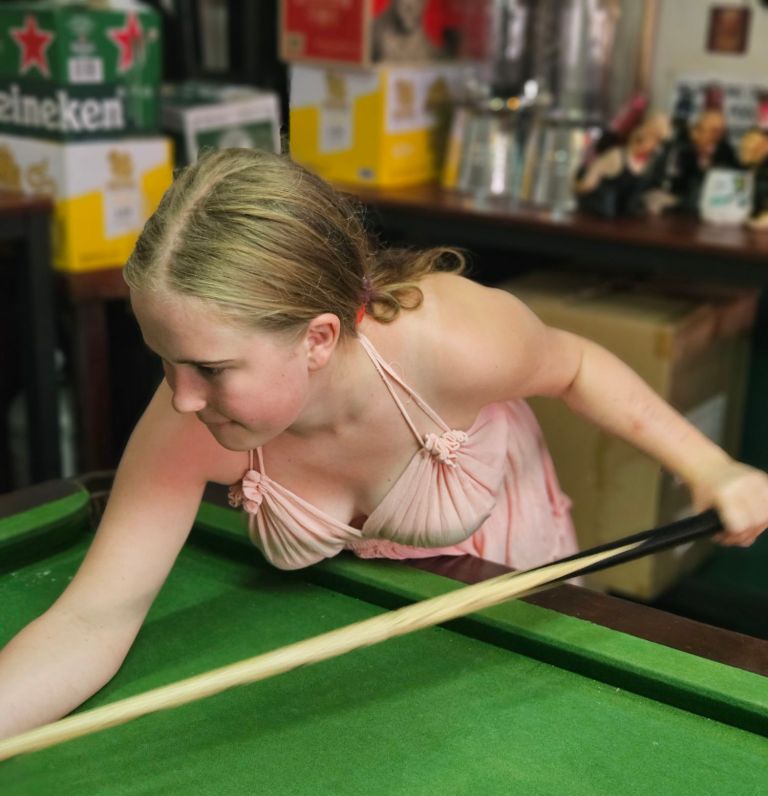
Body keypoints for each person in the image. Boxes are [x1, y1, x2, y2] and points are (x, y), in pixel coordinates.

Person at [1, 147, 767, 741]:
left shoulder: (454, 343)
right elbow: (91, 621)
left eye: (210, 367)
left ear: (317, 337)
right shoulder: (190, 421)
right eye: (164, 360)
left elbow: (575, 365)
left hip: (510, 571)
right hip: (368, 616)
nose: (181, 396)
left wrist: (711, 466)